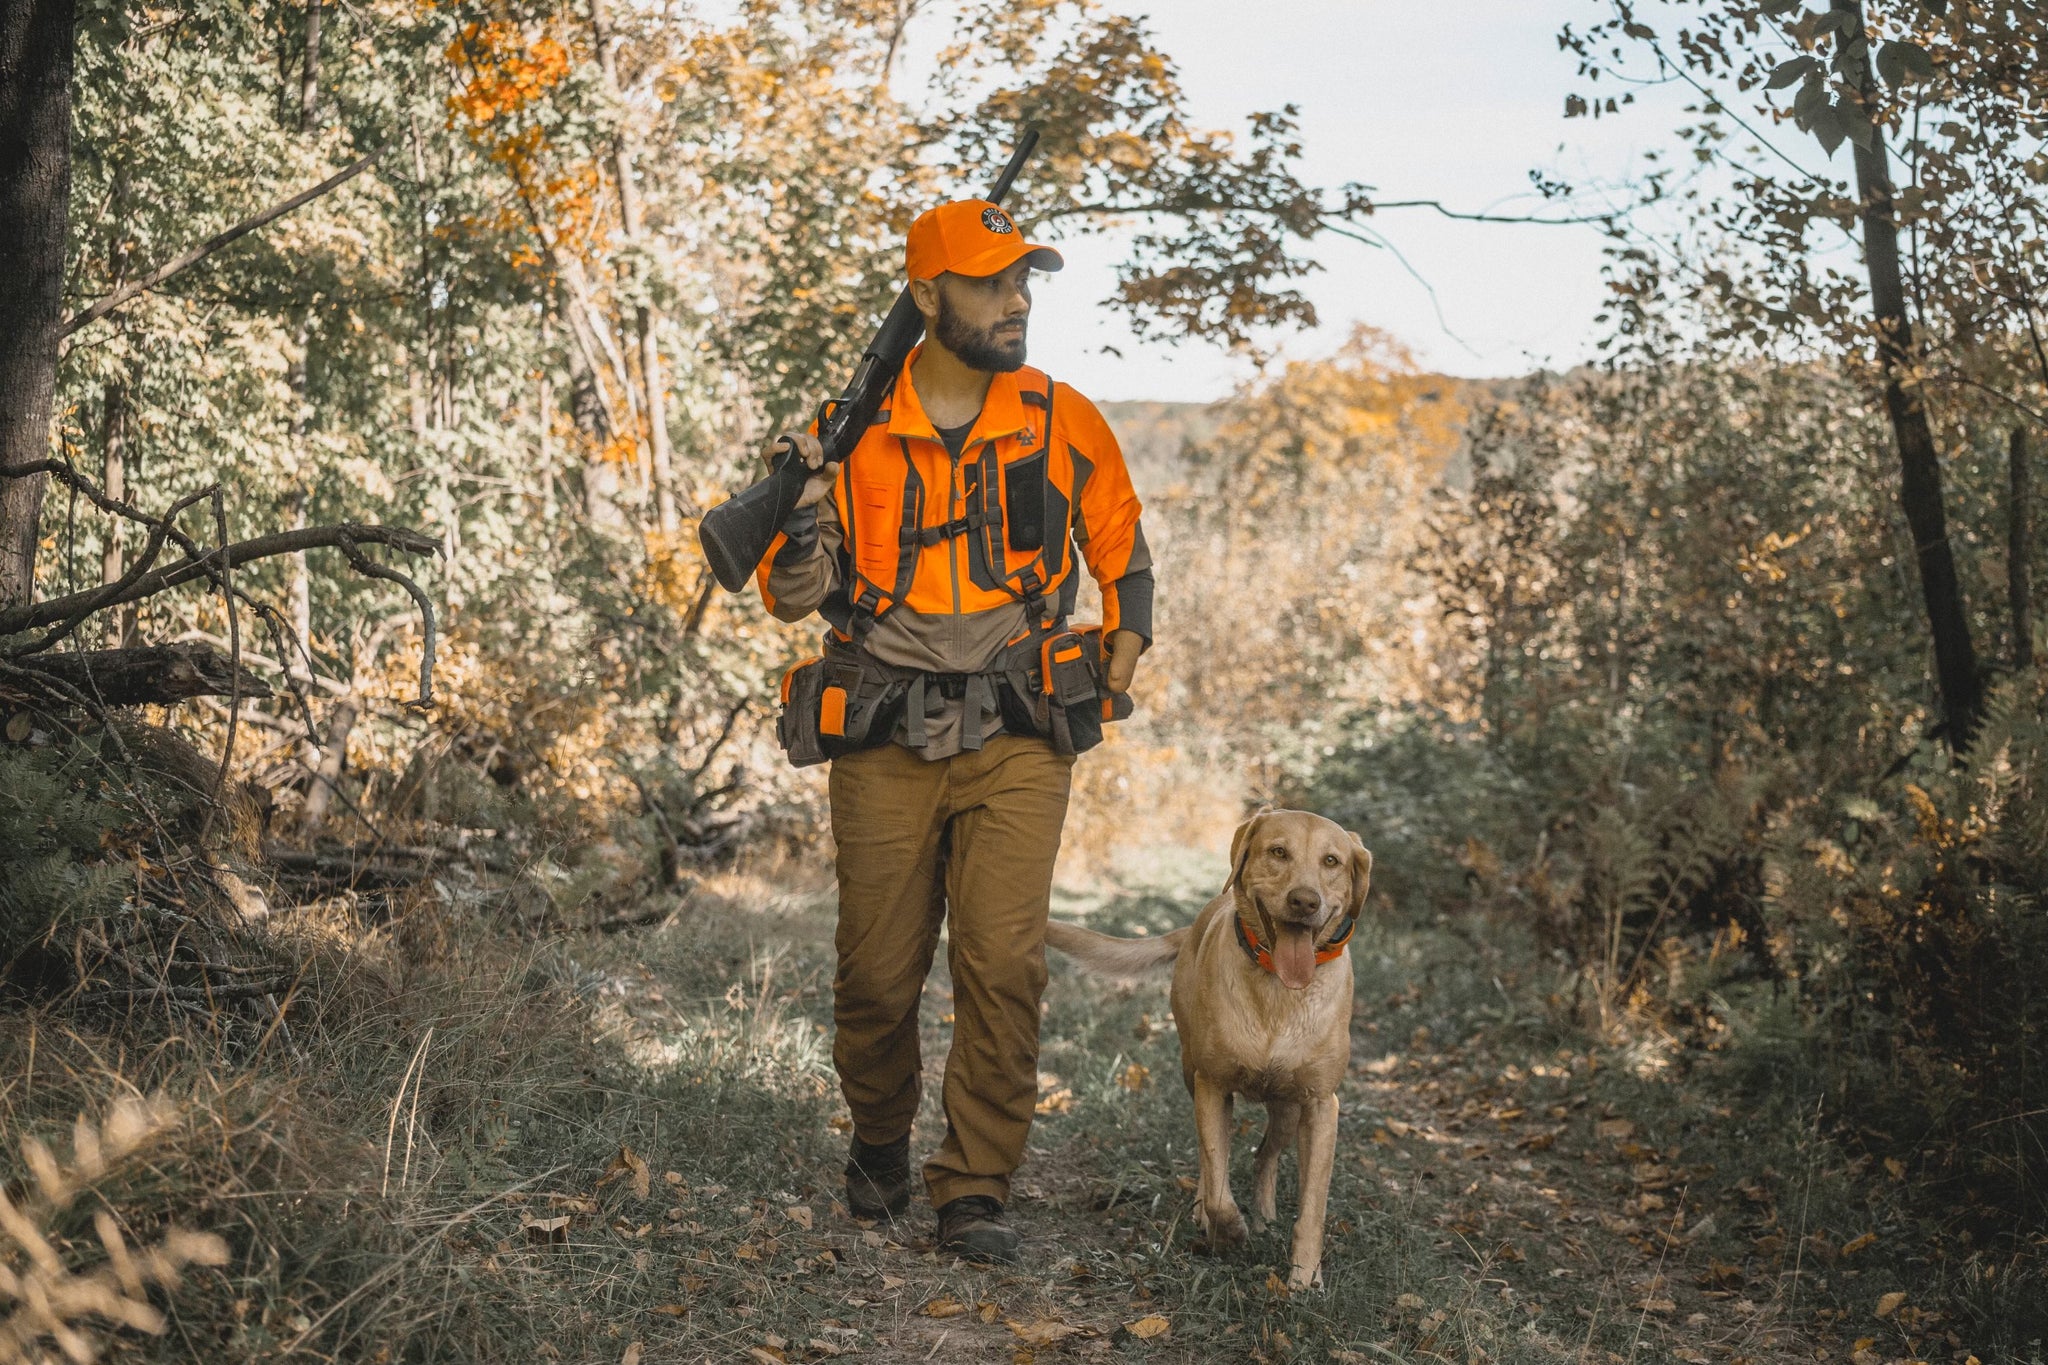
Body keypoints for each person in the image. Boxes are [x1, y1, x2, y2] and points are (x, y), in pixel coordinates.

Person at [754, 197, 1154, 1263]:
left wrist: (1126, 640)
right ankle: (881, 1147)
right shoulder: (850, 431)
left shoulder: (1061, 415)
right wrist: (799, 511)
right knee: (876, 975)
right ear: (925, 295)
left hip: (1020, 730)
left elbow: (1122, 545)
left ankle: (973, 1186)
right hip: (882, 730)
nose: (1015, 300)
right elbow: (791, 596)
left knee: (1000, 964)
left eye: (1023, 279)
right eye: (988, 281)